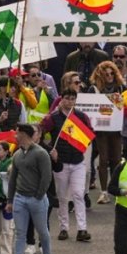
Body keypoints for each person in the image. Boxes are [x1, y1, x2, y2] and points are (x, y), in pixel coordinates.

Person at [41, 87, 93, 242]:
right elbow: (39, 133)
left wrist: (81, 141)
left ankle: (82, 229)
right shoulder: (52, 118)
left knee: (78, 194)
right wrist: (50, 150)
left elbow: (89, 134)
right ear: (61, 99)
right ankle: (64, 228)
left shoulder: (81, 117)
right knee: (63, 197)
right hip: (61, 163)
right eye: (67, 98)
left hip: (78, 161)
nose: (69, 101)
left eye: (72, 98)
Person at [6, 123, 55, 254]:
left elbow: (47, 177)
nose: (15, 136)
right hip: (20, 198)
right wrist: (10, 200)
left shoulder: (41, 154)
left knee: (43, 232)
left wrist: (38, 196)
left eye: (17, 133)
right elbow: (13, 179)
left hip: (36, 199)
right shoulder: (17, 155)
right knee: (20, 233)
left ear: (24, 135)